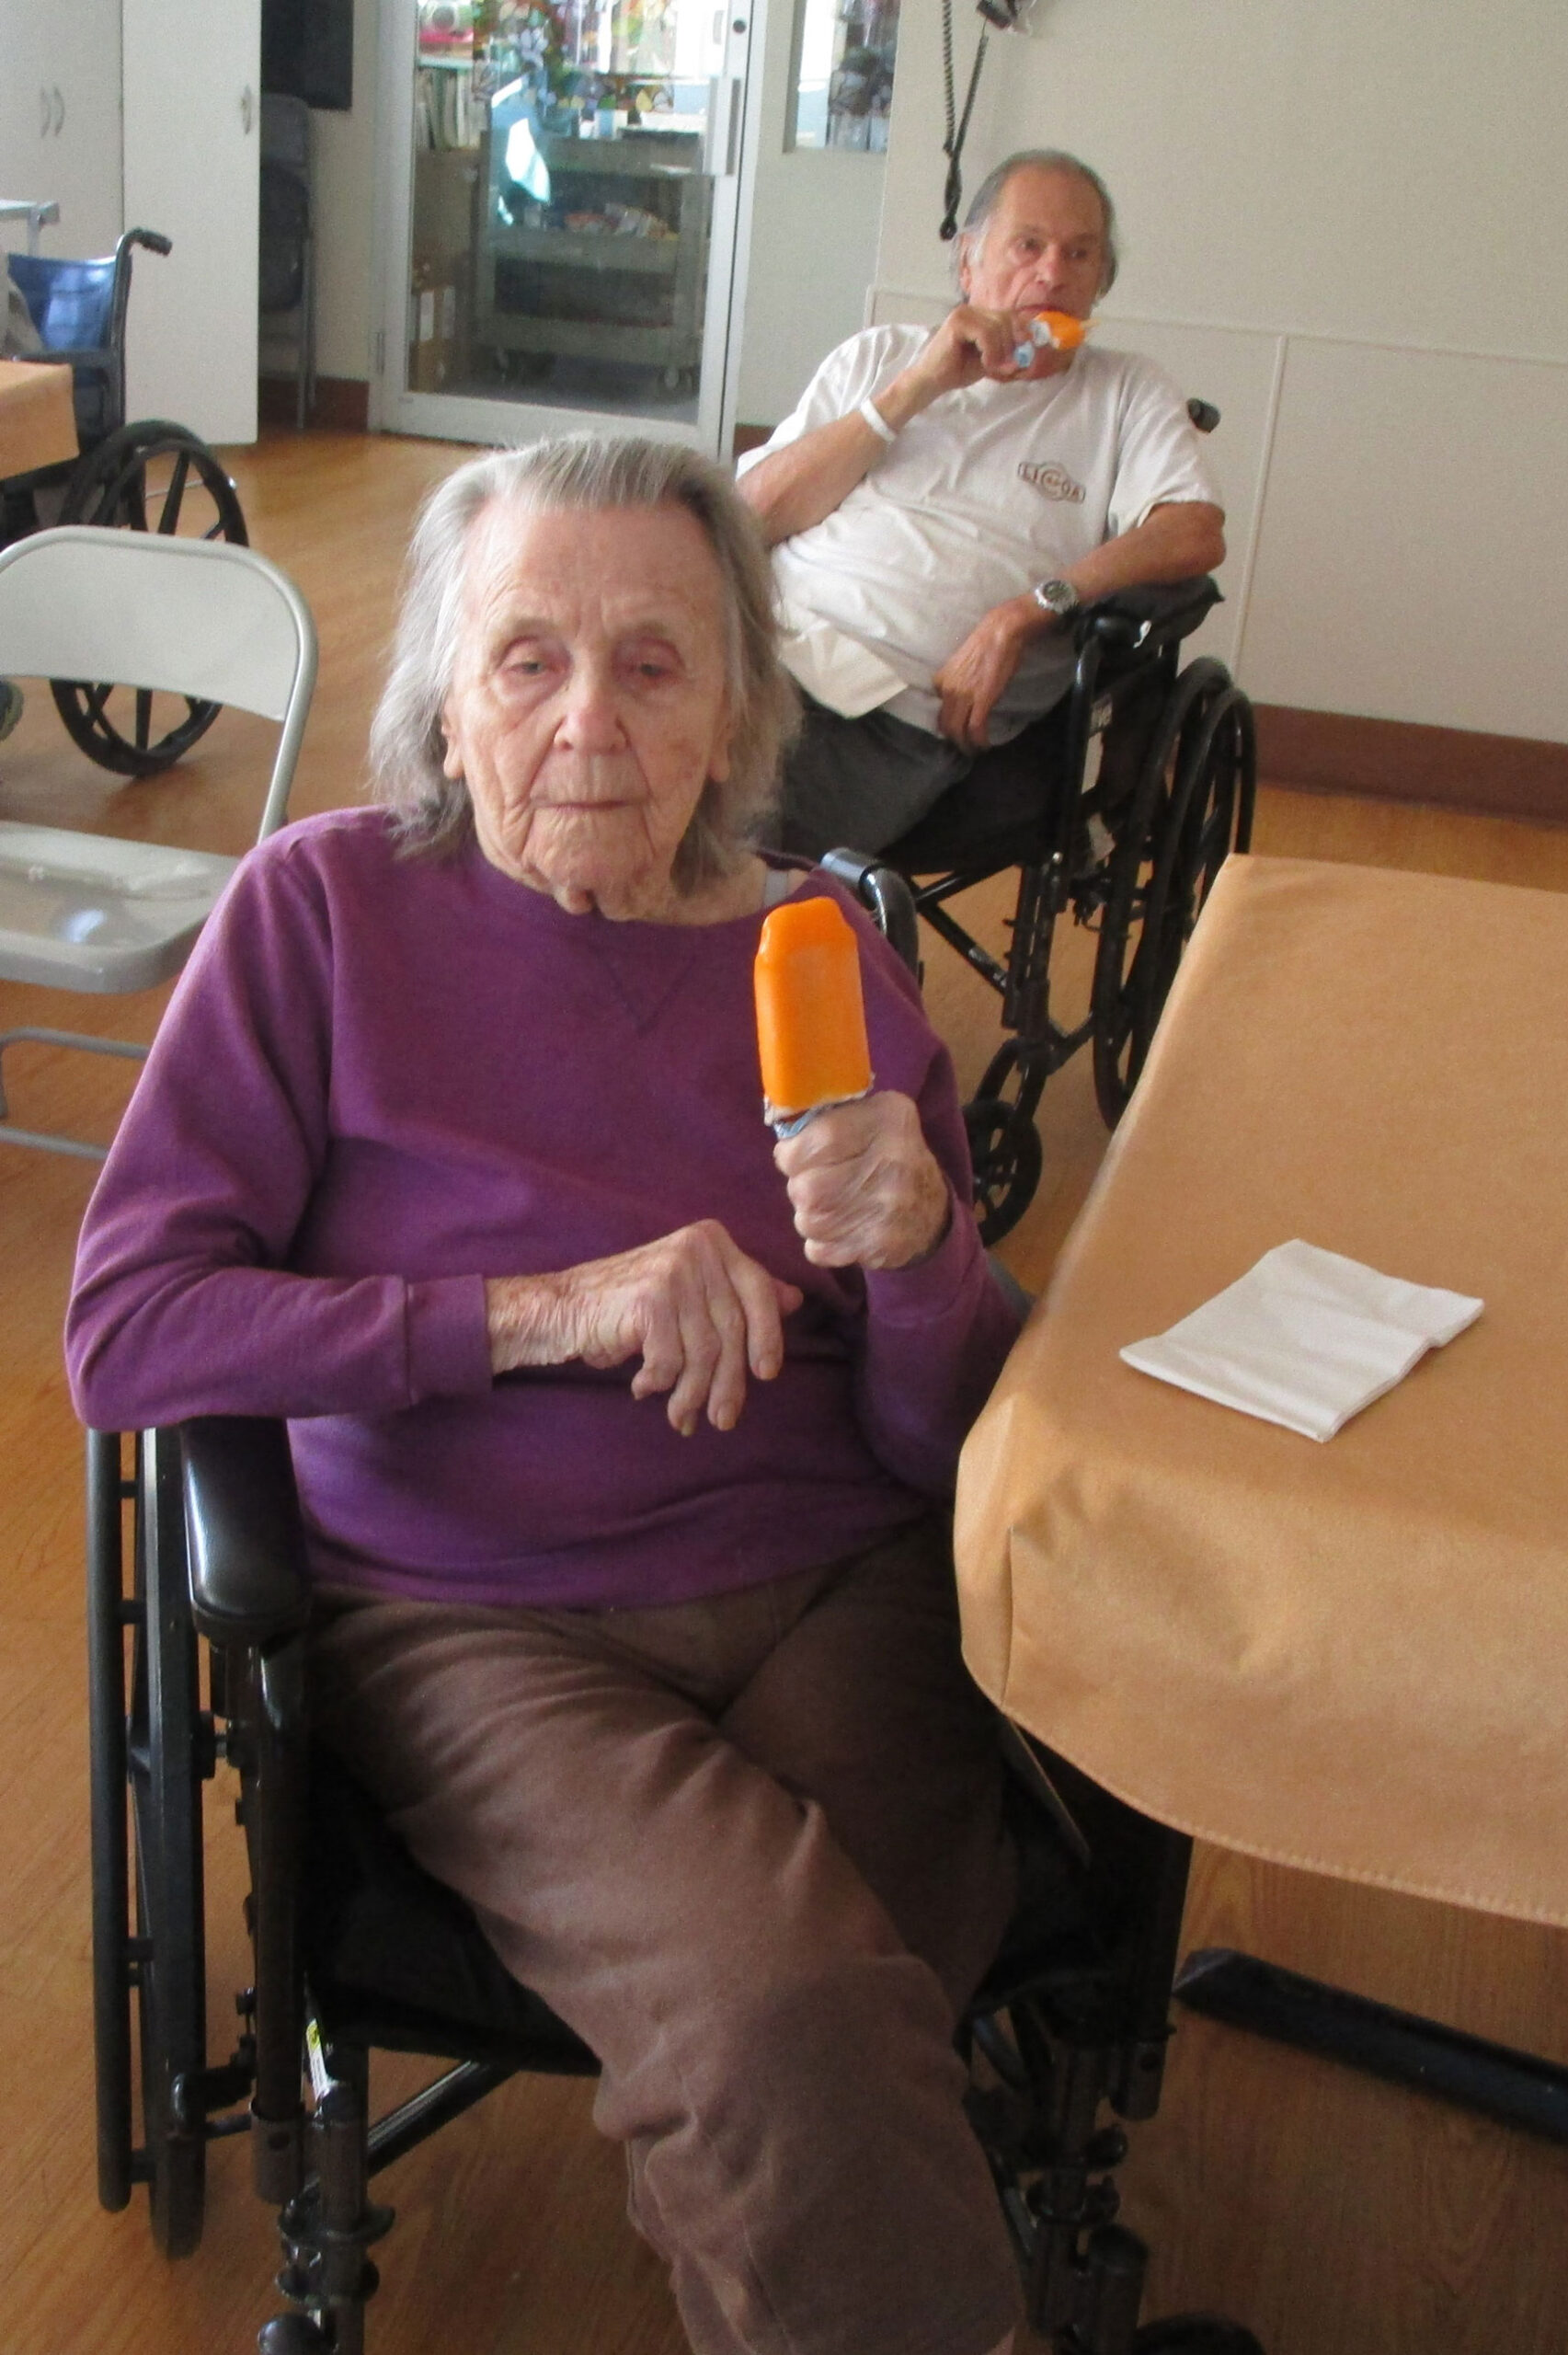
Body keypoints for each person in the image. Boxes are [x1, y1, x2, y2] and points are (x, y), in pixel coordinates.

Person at [65, 434, 1024, 2355]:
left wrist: (918, 1249)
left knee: (843, 2009)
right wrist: (536, 1312)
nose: (589, 718)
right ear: (440, 688)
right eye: (526, 658)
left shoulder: (818, 952)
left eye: (655, 663)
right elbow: (132, 1326)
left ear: (740, 704)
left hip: (841, 1569)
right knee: (797, 2019)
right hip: (478, 1607)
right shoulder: (323, 915)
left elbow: (948, 1433)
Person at [738, 149, 1227, 857]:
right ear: (969, 263)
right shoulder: (881, 357)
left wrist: (1028, 611)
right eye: (1028, 246)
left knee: (723, 846)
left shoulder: (1123, 392)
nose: (1052, 273)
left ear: (1100, 281)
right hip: (754, 648)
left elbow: (1194, 530)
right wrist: (916, 388)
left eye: (1080, 254)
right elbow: (750, 514)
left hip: (886, 706)